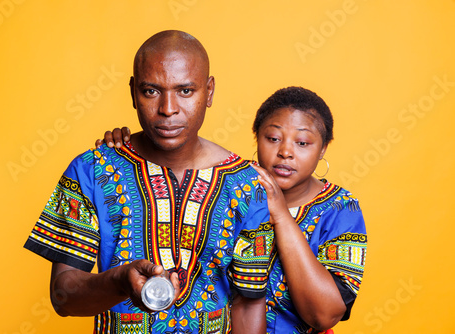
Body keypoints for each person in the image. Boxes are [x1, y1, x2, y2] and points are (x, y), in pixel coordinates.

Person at [24, 30, 274, 334]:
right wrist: (119, 280)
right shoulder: (91, 170)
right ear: (133, 92)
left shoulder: (246, 183)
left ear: (208, 92)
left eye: (185, 91)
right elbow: (63, 298)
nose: (168, 108)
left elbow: (249, 303)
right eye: (151, 91)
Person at [100, 86, 367, 333]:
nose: (285, 152)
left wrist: (282, 216)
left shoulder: (341, 208)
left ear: (323, 149)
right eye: (273, 138)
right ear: (257, 138)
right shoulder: (234, 185)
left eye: (302, 143)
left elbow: (323, 316)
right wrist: (129, 147)